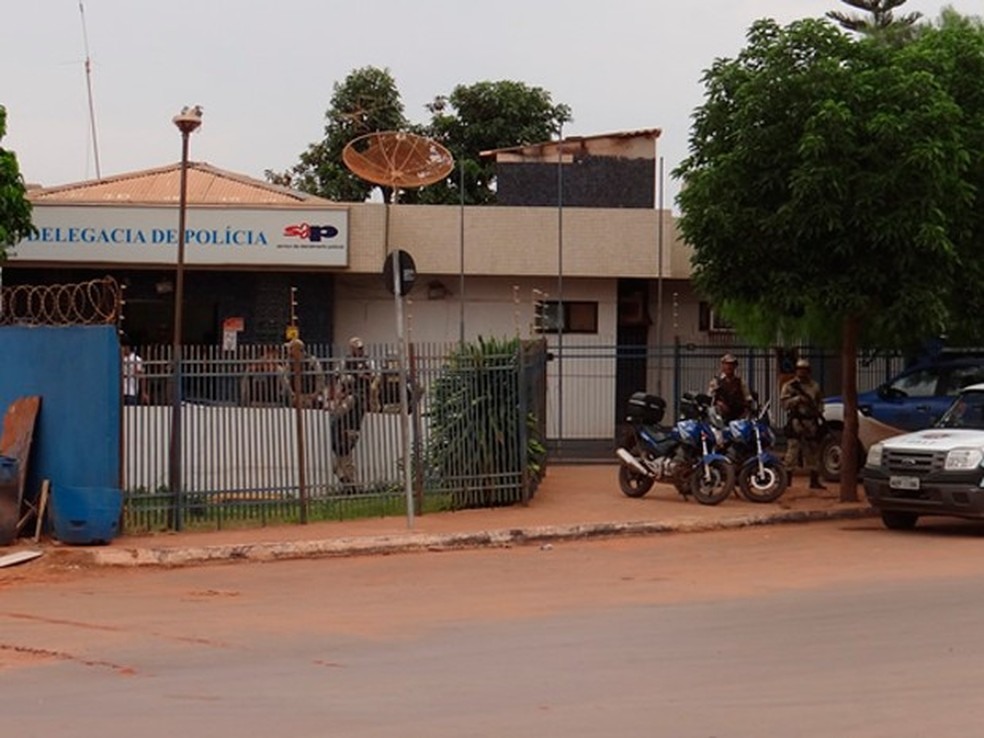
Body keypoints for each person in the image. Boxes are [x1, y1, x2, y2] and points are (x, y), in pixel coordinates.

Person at [328, 337, 375, 483]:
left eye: (361, 348)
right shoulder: (345, 362)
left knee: (348, 442)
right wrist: (337, 395)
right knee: (340, 441)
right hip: (347, 406)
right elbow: (336, 377)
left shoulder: (368, 362)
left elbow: (373, 377)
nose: (360, 351)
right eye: (357, 348)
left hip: (358, 403)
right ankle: (347, 478)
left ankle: (348, 479)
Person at [780, 357, 826, 490]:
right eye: (799, 370)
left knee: (812, 450)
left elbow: (820, 402)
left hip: (811, 421)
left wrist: (819, 412)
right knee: (792, 450)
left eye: (804, 370)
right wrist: (797, 399)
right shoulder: (790, 386)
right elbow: (784, 404)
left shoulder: (814, 386)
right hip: (796, 420)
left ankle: (814, 481)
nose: (802, 372)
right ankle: (787, 481)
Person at [708, 353, 753, 423]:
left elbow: (747, 397)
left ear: (735, 366)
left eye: (732, 364)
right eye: (726, 364)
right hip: (721, 417)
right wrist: (719, 403)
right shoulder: (716, 381)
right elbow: (710, 398)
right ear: (722, 366)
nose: (729, 367)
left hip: (738, 415)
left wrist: (747, 408)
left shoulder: (740, 381)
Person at [122, 341, 148, 406]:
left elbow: (141, 376)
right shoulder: (120, 358)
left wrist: (143, 392)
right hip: (121, 391)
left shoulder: (136, 359)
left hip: (131, 391)